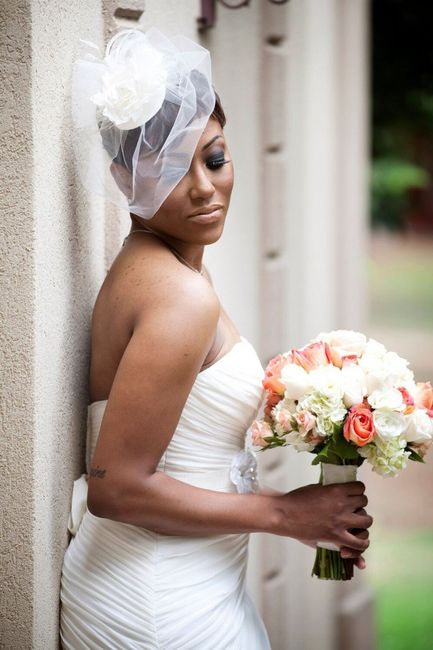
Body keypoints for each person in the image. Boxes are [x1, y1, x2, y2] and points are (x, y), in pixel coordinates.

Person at [59, 27, 372, 649]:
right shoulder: (177, 294)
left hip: (182, 578)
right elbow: (115, 487)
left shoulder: (162, 269)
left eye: (216, 157)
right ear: (124, 177)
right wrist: (290, 514)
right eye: (172, 167)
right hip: (158, 601)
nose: (204, 186)